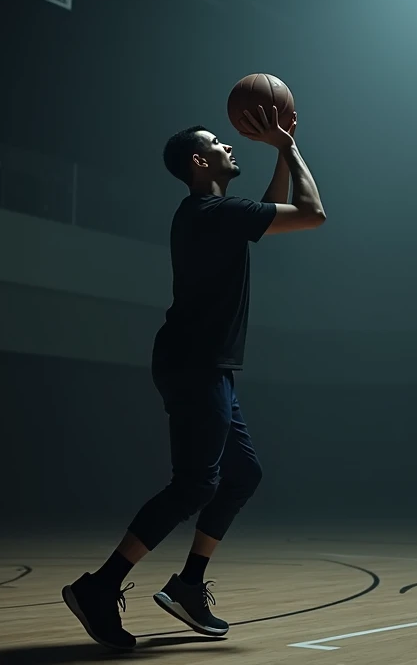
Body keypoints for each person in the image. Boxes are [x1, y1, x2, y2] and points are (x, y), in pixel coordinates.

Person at [62, 106, 326, 651]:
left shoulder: (213, 212)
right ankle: (99, 587)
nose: (231, 147)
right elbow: (310, 211)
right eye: (219, 143)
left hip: (207, 364)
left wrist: (279, 149)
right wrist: (291, 148)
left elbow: (268, 210)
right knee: (196, 483)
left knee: (242, 475)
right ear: (199, 160)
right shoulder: (210, 213)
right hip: (193, 363)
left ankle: (187, 584)